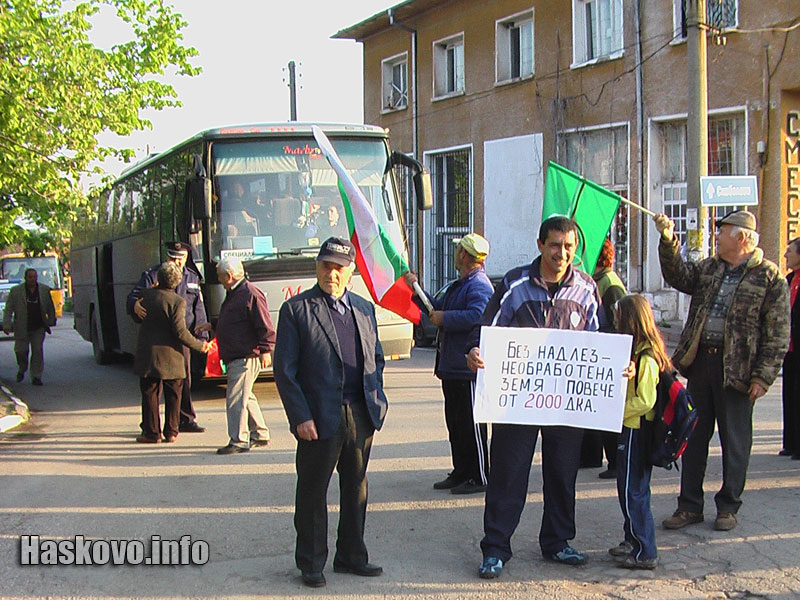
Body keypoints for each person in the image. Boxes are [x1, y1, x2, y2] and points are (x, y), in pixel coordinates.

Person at [467, 215, 601, 578]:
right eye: (555, 245)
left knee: (562, 474)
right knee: (508, 475)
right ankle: (495, 548)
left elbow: (602, 343)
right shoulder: (514, 284)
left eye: (569, 247)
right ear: (540, 244)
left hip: (565, 404)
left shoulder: (586, 289)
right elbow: (488, 331)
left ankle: (557, 542)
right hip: (516, 402)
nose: (561, 253)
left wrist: (621, 369)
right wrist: (476, 353)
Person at [654, 210, 789, 531]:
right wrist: (668, 239)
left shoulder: (769, 277)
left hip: (739, 371)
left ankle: (728, 506)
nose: (717, 237)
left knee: (735, 442)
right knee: (693, 437)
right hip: (702, 364)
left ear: (742, 238)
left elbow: (778, 332)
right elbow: (679, 276)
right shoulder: (710, 268)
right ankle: (689, 506)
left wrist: (763, 376)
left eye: (723, 231)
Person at [274, 236, 387, 588]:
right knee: (312, 491)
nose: (331, 274)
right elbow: (285, 371)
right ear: (317, 267)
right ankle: (310, 562)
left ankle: (351, 556)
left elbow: (376, 358)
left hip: (360, 414)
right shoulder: (296, 310)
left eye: (339, 268)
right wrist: (300, 417)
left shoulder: (364, 309)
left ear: (350, 271)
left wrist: (376, 400)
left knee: (356, 488)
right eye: (326, 266)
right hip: (319, 417)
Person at [404, 233, 493, 495]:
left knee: (471, 425)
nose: (456, 254)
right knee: (456, 424)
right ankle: (461, 470)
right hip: (452, 367)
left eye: (458, 250)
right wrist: (415, 288)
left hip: (467, 368)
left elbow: (479, 315)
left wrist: (447, 318)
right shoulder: (461, 284)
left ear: (464, 255)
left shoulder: (479, 285)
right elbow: (435, 308)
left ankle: (479, 475)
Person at [608, 294, 669, 570]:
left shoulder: (646, 357)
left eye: (619, 315)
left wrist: (615, 410)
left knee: (634, 491)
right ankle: (633, 541)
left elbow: (646, 401)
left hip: (636, 430)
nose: (615, 319)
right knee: (628, 488)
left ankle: (645, 550)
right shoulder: (639, 352)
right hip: (632, 429)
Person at [127, 242, 209, 434]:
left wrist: (202, 335)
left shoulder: (192, 277)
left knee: (183, 381)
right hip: (160, 337)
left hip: (183, 335)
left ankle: (185, 419)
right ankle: (153, 425)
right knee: (155, 386)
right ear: (167, 257)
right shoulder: (155, 274)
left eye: (181, 259)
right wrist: (134, 306)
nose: (178, 262)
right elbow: (135, 296)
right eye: (174, 258)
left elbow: (198, 307)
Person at [198, 256, 275, 455]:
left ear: (229, 276)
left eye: (220, 276)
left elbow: (264, 324)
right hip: (239, 353)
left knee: (235, 398)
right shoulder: (236, 292)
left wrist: (266, 349)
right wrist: (214, 326)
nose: (219, 279)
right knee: (244, 396)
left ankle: (239, 440)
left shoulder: (249, 293)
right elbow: (235, 320)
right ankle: (260, 433)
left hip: (246, 355)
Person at [580, 238, 628, 478]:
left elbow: (621, 321)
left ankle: (617, 463)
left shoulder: (609, 283)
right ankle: (590, 456)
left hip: (608, 353)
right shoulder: (596, 280)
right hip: (597, 352)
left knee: (608, 413)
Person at [2, 268, 56, 385]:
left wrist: (51, 320)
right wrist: (6, 324)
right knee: (21, 351)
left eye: (34, 277)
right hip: (22, 327)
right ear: (25, 278)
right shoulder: (16, 291)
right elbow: (9, 309)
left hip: (38, 327)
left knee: (37, 351)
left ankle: (36, 376)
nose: (32, 279)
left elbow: (50, 307)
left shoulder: (43, 290)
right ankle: (22, 368)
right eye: (30, 277)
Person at [780, 237, 800, 458]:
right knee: (790, 395)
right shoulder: (789, 279)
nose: (786, 255)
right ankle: (791, 442)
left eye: (790, 251)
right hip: (789, 346)